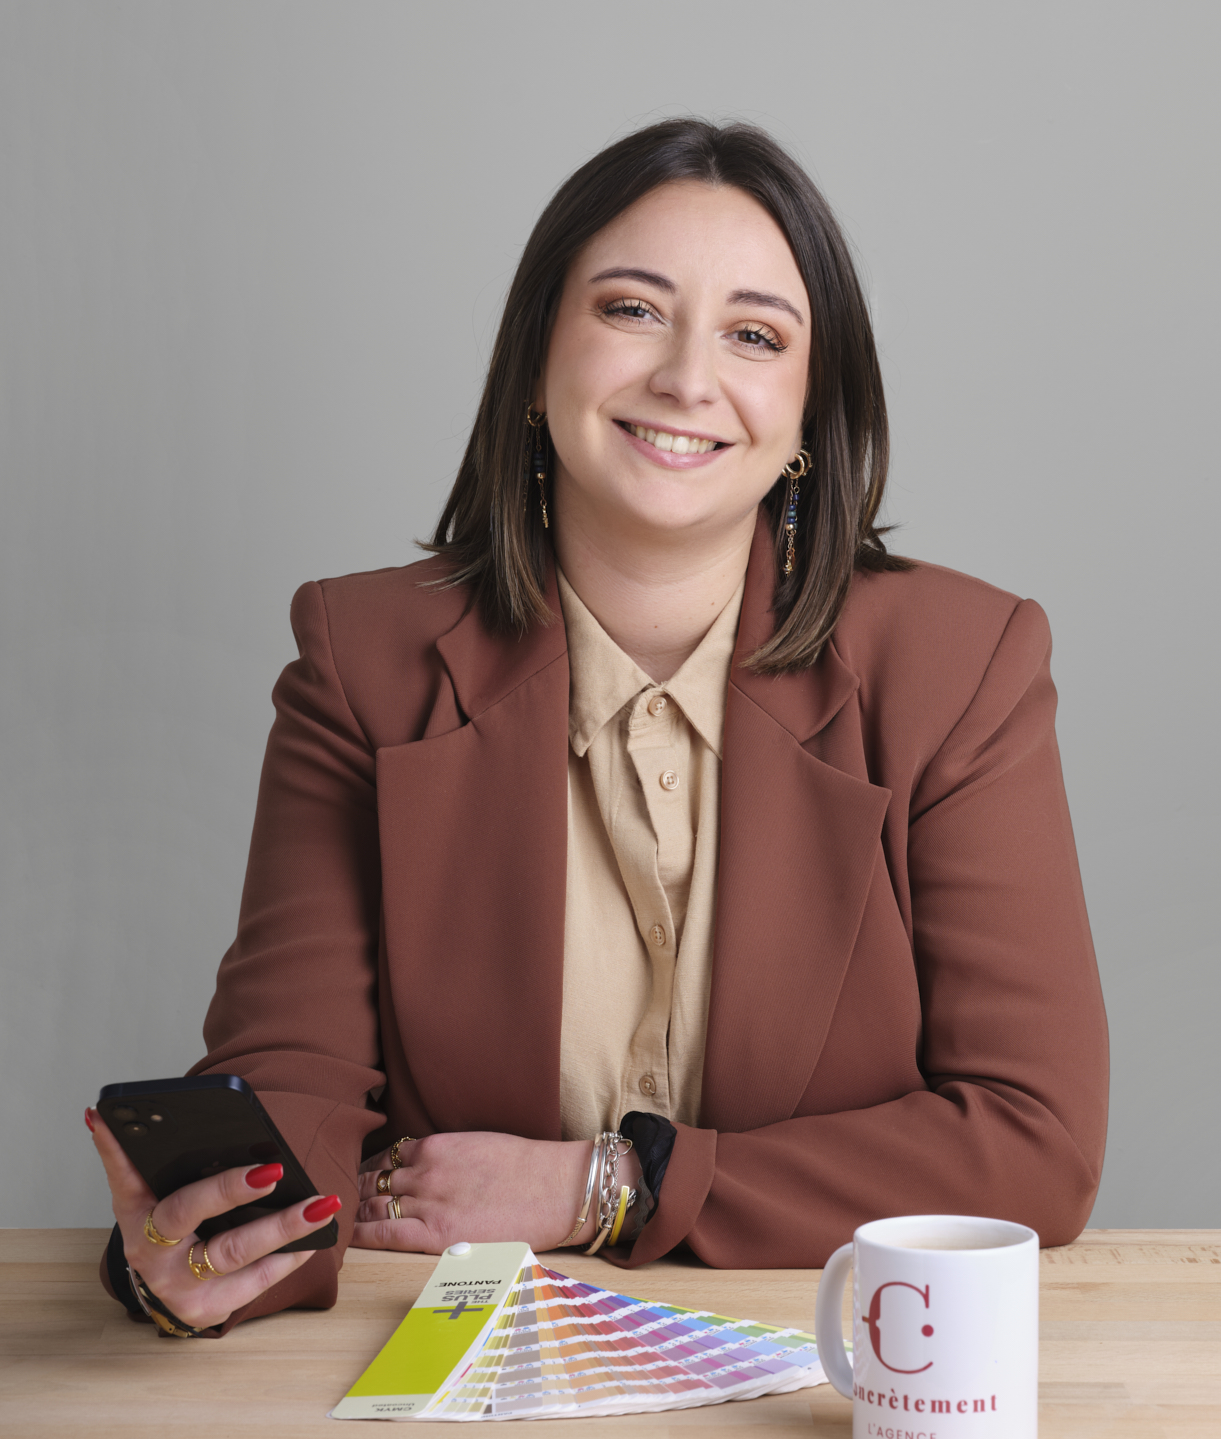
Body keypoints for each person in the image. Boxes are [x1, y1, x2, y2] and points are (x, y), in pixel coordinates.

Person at [89, 119, 1108, 1339]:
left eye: (753, 335)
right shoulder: (361, 664)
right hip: (465, 1361)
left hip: (843, 1364)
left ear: (804, 410)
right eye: (632, 310)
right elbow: (295, 1077)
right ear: (535, 362)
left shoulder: (961, 669)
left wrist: (605, 1188)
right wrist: (205, 1249)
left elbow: (1032, 1142)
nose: (687, 378)